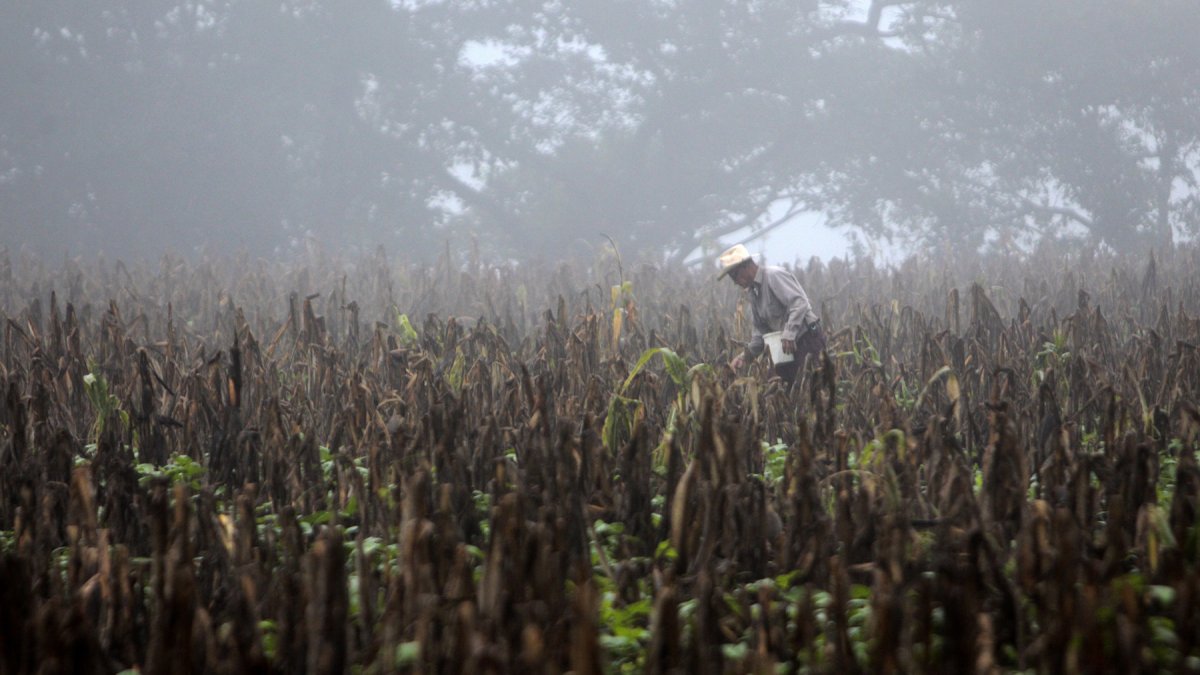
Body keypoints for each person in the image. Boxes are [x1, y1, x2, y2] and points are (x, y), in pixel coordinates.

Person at [717, 243, 826, 386]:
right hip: (785, 349)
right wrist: (745, 357)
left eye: (734, 275)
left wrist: (789, 333)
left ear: (746, 266)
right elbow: (761, 333)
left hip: (806, 341)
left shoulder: (774, 276)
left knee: (810, 389)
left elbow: (799, 303)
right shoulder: (753, 292)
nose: (735, 282)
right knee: (776, 389)